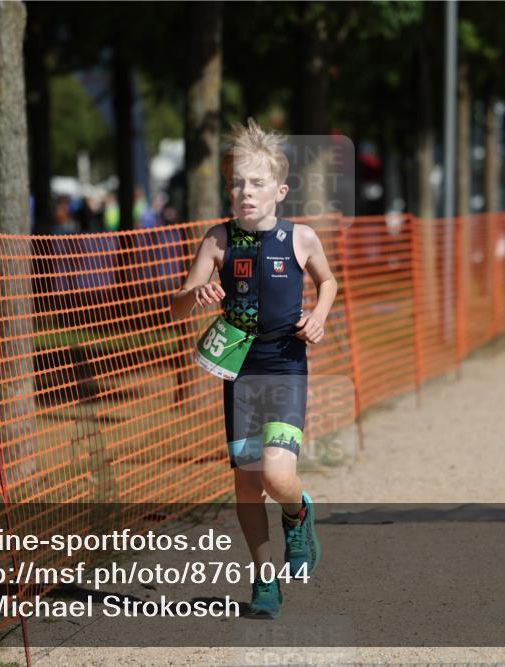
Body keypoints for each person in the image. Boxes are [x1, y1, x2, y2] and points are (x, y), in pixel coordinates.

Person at [170, 118, 338, 618]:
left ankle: (297, 511)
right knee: (247, 482)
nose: (246, 192)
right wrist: (194, 294)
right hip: (239, 369)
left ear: (279, 190)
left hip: (285, 364)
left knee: (276, 473)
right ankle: (265, 578)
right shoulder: (218, 241)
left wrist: (319, 316)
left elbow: (328, 283)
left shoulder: (301, 238)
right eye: (237, 183)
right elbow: (176, 304)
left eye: (257, 182)